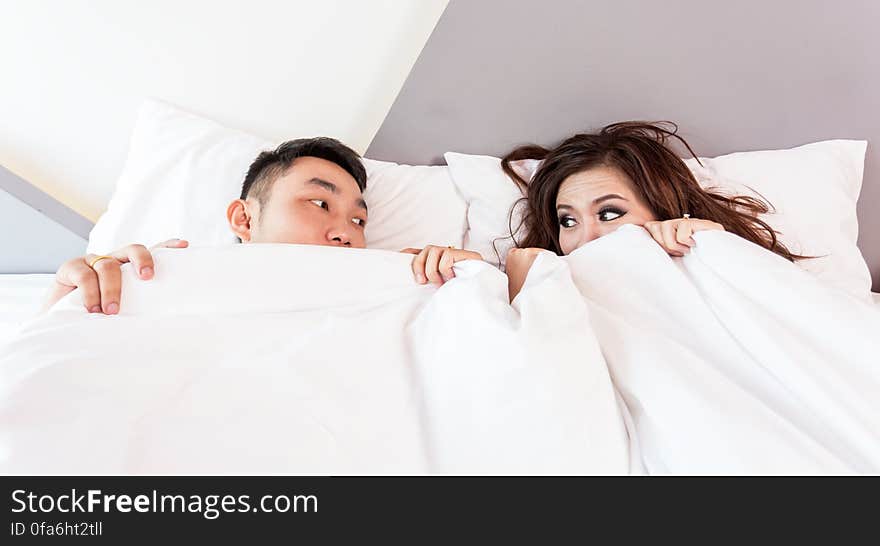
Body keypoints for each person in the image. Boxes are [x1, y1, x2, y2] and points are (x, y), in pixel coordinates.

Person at [46, 137, 481, 314]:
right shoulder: (167, 270)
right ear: (244, 218)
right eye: (318, 202)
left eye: (359, 219)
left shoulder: (392, 285)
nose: (346, 232)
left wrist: (466, 279)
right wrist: (68, 297)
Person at [502, 122, 805, 301]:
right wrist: (523, 291)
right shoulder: (551, 288)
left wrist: (719, 249)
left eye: (609, 214)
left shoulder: (709, 268)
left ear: (662, 211)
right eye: (568, 220)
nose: (585, 239)